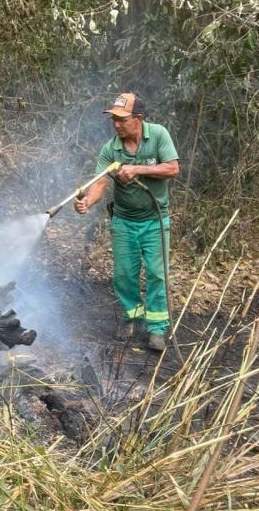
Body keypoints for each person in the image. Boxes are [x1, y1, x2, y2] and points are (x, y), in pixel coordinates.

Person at [74, 92, 180, 351]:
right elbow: (99, 182)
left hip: (155, 220)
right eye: (114, 120)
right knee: (123, 275)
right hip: (124, 222)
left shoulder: (157, 135)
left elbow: (173, 168)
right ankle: (133, 316)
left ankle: (156, 328)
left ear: (139, 118)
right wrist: (87, 202)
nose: (117, 125)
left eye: (122, 119)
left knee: (157, 274)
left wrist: (137, 169)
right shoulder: (111, 149)